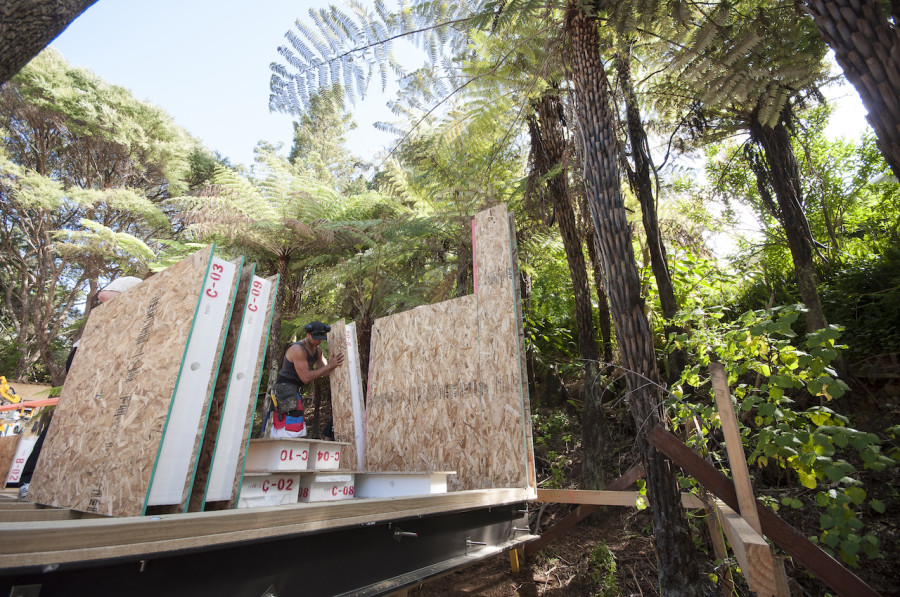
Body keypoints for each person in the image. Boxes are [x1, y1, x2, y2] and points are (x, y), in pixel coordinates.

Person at [19, 276, 143, 501]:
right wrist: (136, 300)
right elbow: (104, 295)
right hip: (87, 354)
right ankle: (29, 480)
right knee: (67, 416)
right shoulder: (135, 282)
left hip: (113, 358)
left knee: (96, 418)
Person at [271, 321, 344, 438]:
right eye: (315, 338)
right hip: (284, 391)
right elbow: (305, 378)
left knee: (296, 429)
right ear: (308, 334)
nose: (318, 341)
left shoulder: (317, 351)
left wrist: (335, 364)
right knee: (288, 431)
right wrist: (330, 365)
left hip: (294, 391)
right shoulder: (297, 349)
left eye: (320, 339)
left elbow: (324, 371)